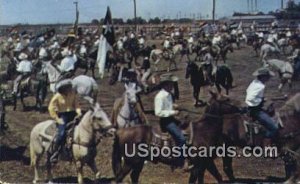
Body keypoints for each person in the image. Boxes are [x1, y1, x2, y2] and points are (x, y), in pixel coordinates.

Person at [154, 74, 189, 170]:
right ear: (165, 85)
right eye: (170, 84)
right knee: (181, 138)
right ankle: (179, 161)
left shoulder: (169, 94)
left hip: (171, 118)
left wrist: (174, 106)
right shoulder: (159, 97)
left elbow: (168, 106)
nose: (172, 86)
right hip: (166, 122)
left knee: (188, 126)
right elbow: (158, 112)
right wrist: (173, 112)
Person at [48, 79, 82, 162]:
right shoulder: (57, 96)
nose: (70, 89)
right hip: (63, 115)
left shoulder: (73, 94)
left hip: (73, 114)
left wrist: (79, 113)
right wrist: (56, 118)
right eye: (68, 87)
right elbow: (51, 108)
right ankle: (55, 152)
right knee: (62, 133)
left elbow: (76, 105)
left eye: (70, 87)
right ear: (63, 88)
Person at [245, 67, 279, 144]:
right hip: (256, 111)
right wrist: (261, 101)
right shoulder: (260, 86)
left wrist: (261, 99)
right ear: (263, 76)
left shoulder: (254, 82)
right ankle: (266, 144)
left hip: (252, 108)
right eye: (267, 76)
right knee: (274, 128)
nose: (269, 78)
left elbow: (250, 93)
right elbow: (250, 98)